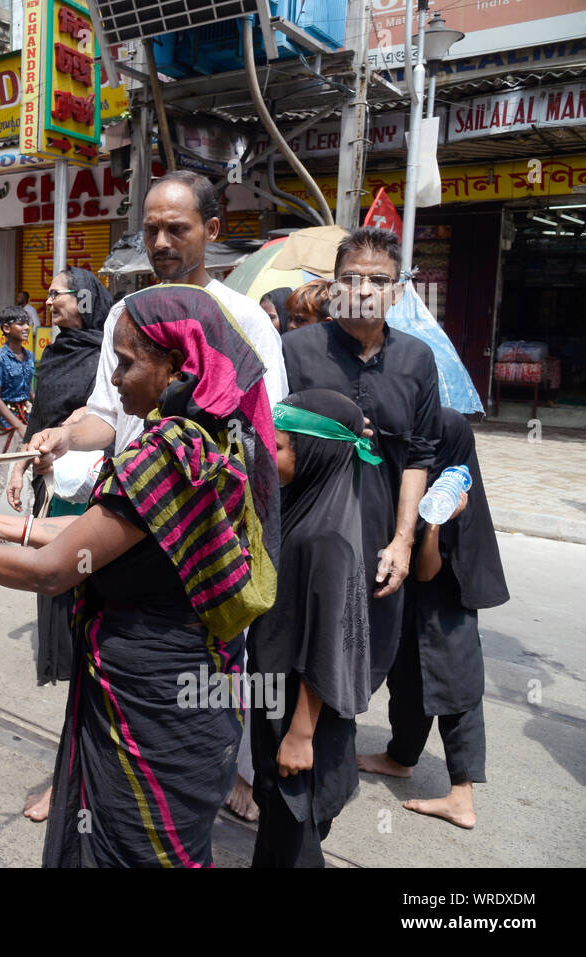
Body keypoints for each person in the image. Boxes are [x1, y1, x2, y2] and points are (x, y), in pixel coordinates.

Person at [0, 284, 279, 867]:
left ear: (177, 364)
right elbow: (98, 540)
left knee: (132, 851)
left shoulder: (168, 451)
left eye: (125, 363)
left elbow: (52, 572)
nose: (114, 382)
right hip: (185, 693)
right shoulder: (211, 438)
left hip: (151, 703)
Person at [24, 171, 288, 824]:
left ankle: (221, 775)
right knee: (105, 650)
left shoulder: (245, 318)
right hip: (129, 524)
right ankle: (80, 780)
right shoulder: (126, 312)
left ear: (213, 231)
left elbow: (266, 439)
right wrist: (62, 436)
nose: (162, 241)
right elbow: (105, 415)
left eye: (178, 228)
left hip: (203, 535)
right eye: (151, 229)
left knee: (209, 667)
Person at [282, 227, 441, 689]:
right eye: (351, 278)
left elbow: (419, 455)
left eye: (378, 279)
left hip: (378, 537)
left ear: (397, 291)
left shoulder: (417, 360)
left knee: (365, 653)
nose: (364, 289)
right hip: (303, 532)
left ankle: (332, 746)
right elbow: (266, 436)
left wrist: (403, 541)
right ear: (334, 289)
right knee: (293, 651)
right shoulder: (295, 351)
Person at [357, 410, 507, 829]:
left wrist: (435, 522)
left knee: (454, 683)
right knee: (407, 676)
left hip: (448, 590)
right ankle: (400, 757)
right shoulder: (420, 455)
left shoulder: (452, 488)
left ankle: (462, 796)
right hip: (414, 593)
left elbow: (427, 569)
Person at [249, 389, 377, 867]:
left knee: (293, 834)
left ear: (317, 454)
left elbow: (327, 645)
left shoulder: (326, 539)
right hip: (277, 696)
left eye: (278, 447)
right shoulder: (309, 508)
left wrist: (300, 733)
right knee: (277, 825)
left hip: (300, 711)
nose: (268, 455)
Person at [9, 265, 110, 823]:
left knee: (94, 632)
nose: (47, 303)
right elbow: (45, 419)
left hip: (97, 506)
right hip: (55, 496)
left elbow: (111, 427)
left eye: (57, 294)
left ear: (87, 301)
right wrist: (22, 466)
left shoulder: (110, 354)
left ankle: (78, 779)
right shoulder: (54, 353)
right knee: (68, 623)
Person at [0, 306, 34, 512]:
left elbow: (29, 392)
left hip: (25, 420)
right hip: (3, 424)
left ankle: (34, 521)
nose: (26, 328)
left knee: (31, 472)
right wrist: (19, 426)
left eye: (27, 323)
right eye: (21, 323)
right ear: (6, 328)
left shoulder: (29, 357)